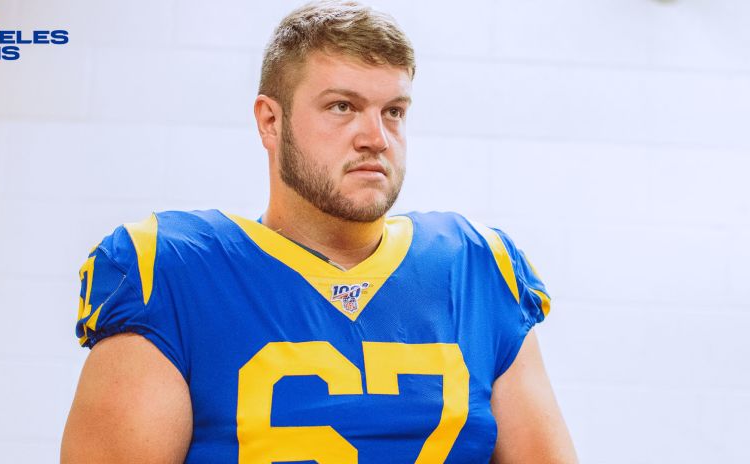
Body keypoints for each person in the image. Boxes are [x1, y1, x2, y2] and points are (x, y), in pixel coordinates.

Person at [61, 1, 578, 462]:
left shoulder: (477, 267)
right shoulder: (172, 272)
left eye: (393, 112)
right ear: (270, 121)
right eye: (342, 107)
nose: (376, 138)